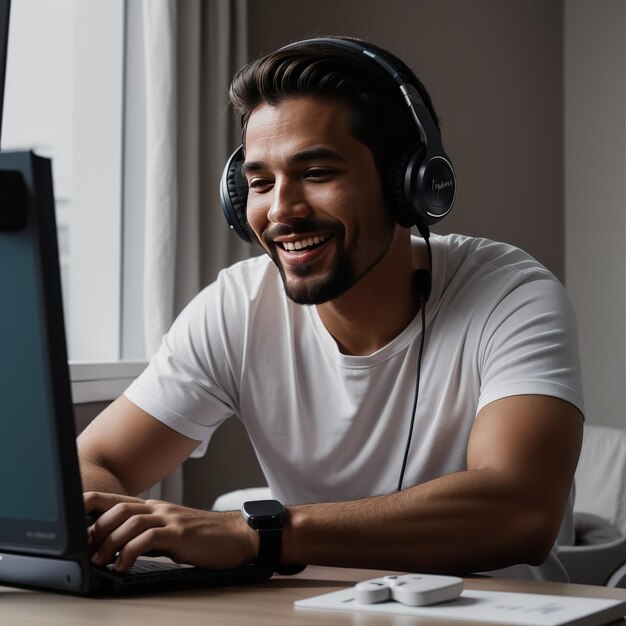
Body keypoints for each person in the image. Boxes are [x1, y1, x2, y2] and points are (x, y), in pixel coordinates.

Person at [78, 36, 584, 581]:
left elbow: (521, 510)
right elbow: (91, 466)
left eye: (317, 174)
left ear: (404, 183)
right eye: (260, 182)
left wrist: (253, 534)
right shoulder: (236, 307)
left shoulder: (511, 295)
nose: (281, 211)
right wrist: (128, 528)